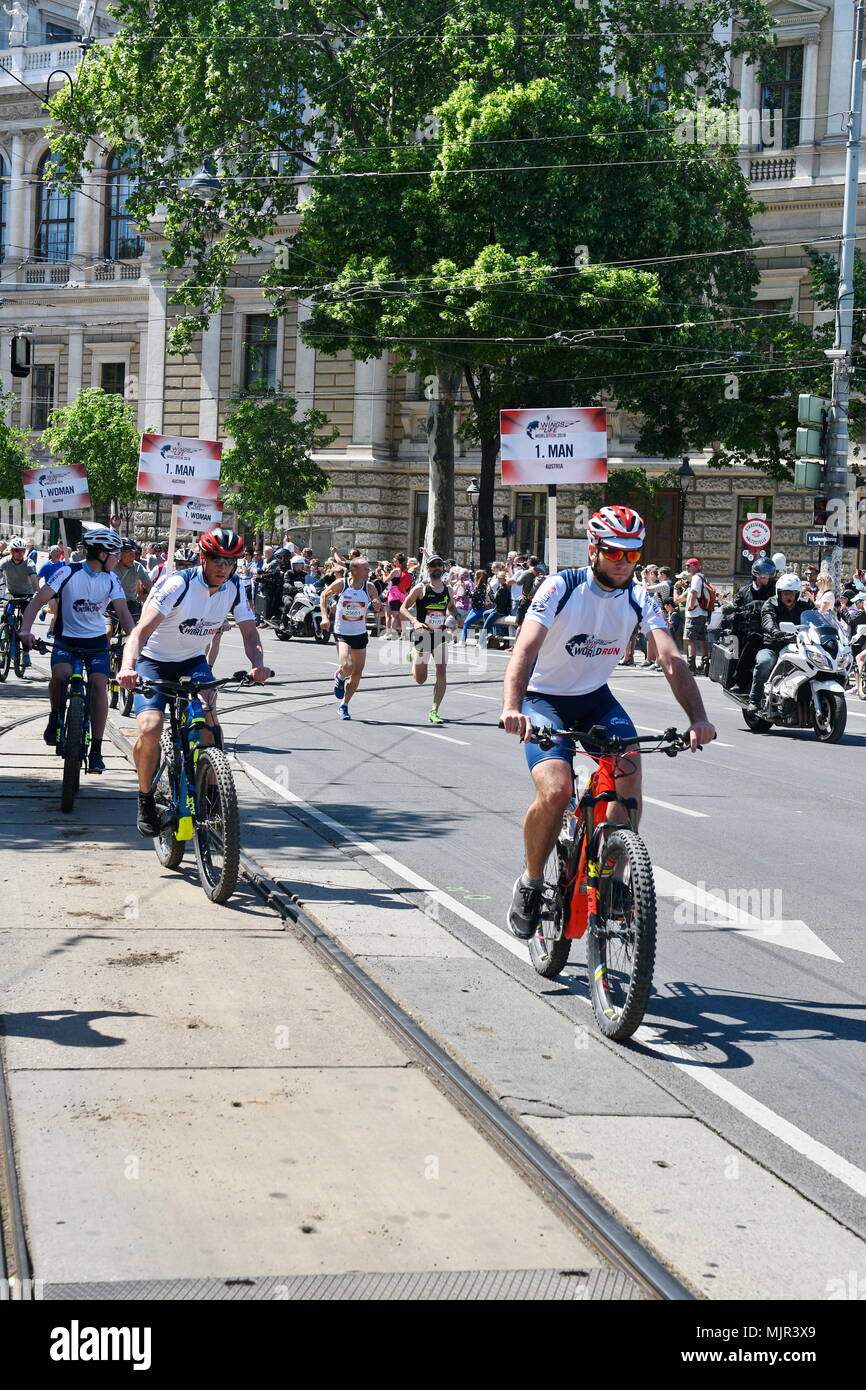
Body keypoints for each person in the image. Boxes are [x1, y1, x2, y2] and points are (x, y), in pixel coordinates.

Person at [500, 505, 715, 939]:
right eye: (616, 553)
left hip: (596, 700)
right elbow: (524, 649)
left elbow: (671, 658)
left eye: (633, 555)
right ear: (594, 549)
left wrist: (699, 718)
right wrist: (513, 706)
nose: (624, 562)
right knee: (558, 789)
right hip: (545, 700)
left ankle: (613, 874)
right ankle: (531, 881)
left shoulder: (639, 597)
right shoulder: (561, 586)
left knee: (629, 777)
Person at [117, 527, 268, 835]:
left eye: (231, 561)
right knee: (149, 727)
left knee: (208, 717)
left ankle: (214, 795)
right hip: (154, 661)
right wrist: (127, 667)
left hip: (192, 662)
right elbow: (140, 633)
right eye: (216, 560)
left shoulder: (235, 587)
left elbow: (250, 634)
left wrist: (258, 665)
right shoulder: (177, 585)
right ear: (202, 557)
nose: (223, 568)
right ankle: (145, 798)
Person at [20, 529, 135, 773]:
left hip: (95, 644)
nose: (117, 558)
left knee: (97, 684)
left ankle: (96, 749)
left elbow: (123, 613)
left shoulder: (111, 579)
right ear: (101, 554)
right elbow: (38, 601)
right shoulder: (67, 571)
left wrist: (135, 645)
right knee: (60, 676)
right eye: (115, 554)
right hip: (66, 640)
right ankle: (54, 716)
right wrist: (25, 630)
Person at [399, 554, 463, 724]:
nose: (436, 567)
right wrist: (414, 621)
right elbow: (403, 608)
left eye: (439, 565)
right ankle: (414, 655)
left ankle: (434, 710)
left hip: (440, 635)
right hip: (423, 635)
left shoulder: (448, 590)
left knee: (441, 672)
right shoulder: (421, 588)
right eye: (433, 565)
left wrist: (457, 615)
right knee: (421, 679)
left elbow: (450, 607)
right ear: (427, 568)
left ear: (443, 568)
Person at [319, 556, 382, 719]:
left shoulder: (369, 587)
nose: (369, 571)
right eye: (366, 569)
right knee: (347, 665)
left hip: (360, 633)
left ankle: (344, 705)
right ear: (354, 570)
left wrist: (377, 605)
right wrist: (325, 617)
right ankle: (340, 677)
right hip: (342, 632)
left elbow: (379, 608)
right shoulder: (342, 584)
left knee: (357, 672)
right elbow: (324, 596)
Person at [748, 574, 817, 715]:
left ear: (797, 594)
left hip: (800, 645)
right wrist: (776, 632)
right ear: (779, 593)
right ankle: (754, 700)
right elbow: (767, 621)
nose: (788, 596)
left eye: (791, 593)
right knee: (764, 662)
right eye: (785, 593)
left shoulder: (806, 604)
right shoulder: (770, 604)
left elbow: (816, 619)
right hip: (773, 644)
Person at [683, 557, 712, 675]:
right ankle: (705, 665)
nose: (686, 568)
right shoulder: (703, 577)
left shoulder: (695, 578)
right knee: (702, 639)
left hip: (694, 614)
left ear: (695, 566)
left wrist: (690, 606)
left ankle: (691, 667)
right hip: (703, 613)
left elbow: (694, 592)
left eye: (688, 565)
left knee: (690, 640)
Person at [115, 538, 152, 622]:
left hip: (130, 603)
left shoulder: (138, 567)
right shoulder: (111, 566)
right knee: (108, 630)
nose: (133, 557)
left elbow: (149, 586)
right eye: (130, 554)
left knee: (134, 630)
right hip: (111, 603)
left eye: (134, 554)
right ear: (120, 554)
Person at [460, 568, 490, 643]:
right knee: (465, 623)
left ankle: (463, 641)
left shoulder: (481, 586)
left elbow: (471, 595)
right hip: (474, 608)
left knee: (466, 623)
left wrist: (465, 588)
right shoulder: (478, 586)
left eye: (475, 575)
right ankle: (462, 640)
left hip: (479, 609)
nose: (474, 577)